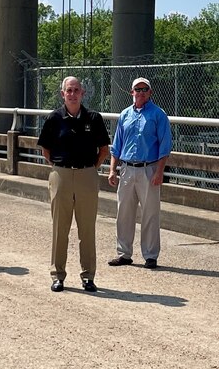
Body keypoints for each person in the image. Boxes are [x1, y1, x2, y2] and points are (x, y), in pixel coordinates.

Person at [37, 76, 110, 293]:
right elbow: (45, 150)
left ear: (83, 93)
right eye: (69, 90)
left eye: (76, 90)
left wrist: (91, 169)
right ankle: (57, 275)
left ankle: (88, 276)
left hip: (87, 174)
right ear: (62, 94)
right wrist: (60, 168)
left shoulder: (94, 118)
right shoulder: (54, 118)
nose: (72, 93)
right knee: (60, 229)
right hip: (61, 175)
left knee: (87, 230)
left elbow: (104, 149)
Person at [107, 77, 172, 269]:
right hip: (127, 168)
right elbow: (116, 145)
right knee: (124, 212)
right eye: (138, 89)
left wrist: (159, 172)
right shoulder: (125, 115)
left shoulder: (158, 115)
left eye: (145, 89)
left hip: (149, 168)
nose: (141, 92)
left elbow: (165, 146)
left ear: (150, 92)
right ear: (132, 92)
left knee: (150, 213)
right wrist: (112, 169)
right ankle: (124, 253)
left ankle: (150, 255)